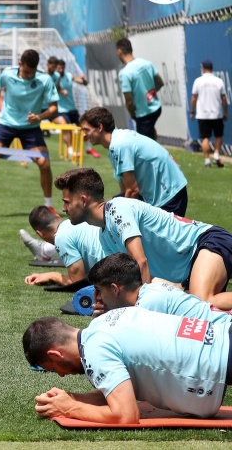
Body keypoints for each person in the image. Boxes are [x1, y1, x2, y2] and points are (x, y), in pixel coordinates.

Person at [54, 167, 232, 309]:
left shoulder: (117, 210)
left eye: (66, 202)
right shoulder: (104, 236)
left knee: (202, 301)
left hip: (207, 241)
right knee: (184, 300)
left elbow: (141, 262)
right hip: (188, 270)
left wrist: (142, 312)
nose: (63, 208)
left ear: (83, 200)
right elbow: (133, 281)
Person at [23, 307, 232, 422]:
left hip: (221, 357)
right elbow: (120, 391)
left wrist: (70, 408)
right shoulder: (102, 322)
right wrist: (71, 398)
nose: (60, 375)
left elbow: (126, 414)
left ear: (55, 354)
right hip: (222, 334)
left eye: (53, 368)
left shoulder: (94, 351)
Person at [0, 49, 59, 215]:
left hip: (30, 128)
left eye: (32, 72)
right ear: (20, 64)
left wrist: (39, 117)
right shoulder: (7, 74)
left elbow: (54, 108)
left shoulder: (44, 80)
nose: (29, 75)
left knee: (44, 164)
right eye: (26, 71)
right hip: (6, 124)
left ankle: (49, 205)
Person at [79, 107, 188, 216]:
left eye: (86, 130)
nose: (84, 135)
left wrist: (123, 217)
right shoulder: (116, 143)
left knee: (111, 213)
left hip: (169, 196)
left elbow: (133, 190)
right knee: (105, 208)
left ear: (99, 127)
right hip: (162, 194)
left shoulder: (119, 145)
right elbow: (125, 191)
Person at [88, 252, 232, 322]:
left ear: (115, 289)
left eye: (99, 290)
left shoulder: (148, 305)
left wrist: (106, 319)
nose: (97, 297)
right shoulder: (150, 292)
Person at [23, 205, 106, 288]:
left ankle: (44, 251)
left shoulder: (61, 237)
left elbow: (77, 281)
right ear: (58, 217)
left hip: (110, 272)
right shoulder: (75, 221)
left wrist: (52, 276)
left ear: (40, 233)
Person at [116, 37, 164, 140]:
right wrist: (149, 94)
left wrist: (133, 115)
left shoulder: (125, 73)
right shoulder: (147, 63)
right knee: (150, 133)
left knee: (145, 144)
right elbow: (160, 83)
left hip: (144, 114)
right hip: (156, 108)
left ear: (119, 51)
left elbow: (129, 102)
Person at [190, 60, 228, 168]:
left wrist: (192, 111)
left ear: (203, 68)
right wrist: (225, 111)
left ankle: (207, 160)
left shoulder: (198, 81)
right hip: (216, 113)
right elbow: (223, 98)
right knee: (218, 135)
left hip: (203, 114)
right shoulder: (219, 81)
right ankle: (216, 154)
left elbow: (194, 98)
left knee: (205, 137)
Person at [52, 59, 88, 160]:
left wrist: (83, 79)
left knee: (84, 126)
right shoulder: (54, 77)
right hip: (61, 110)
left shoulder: (69, 75)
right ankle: (70, 151)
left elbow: (84, 83)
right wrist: (61, 92)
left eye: (62, 68)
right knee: (66, 128)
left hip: (72, 108)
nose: (60, 69)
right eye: (59, 68)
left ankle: (88, 148)